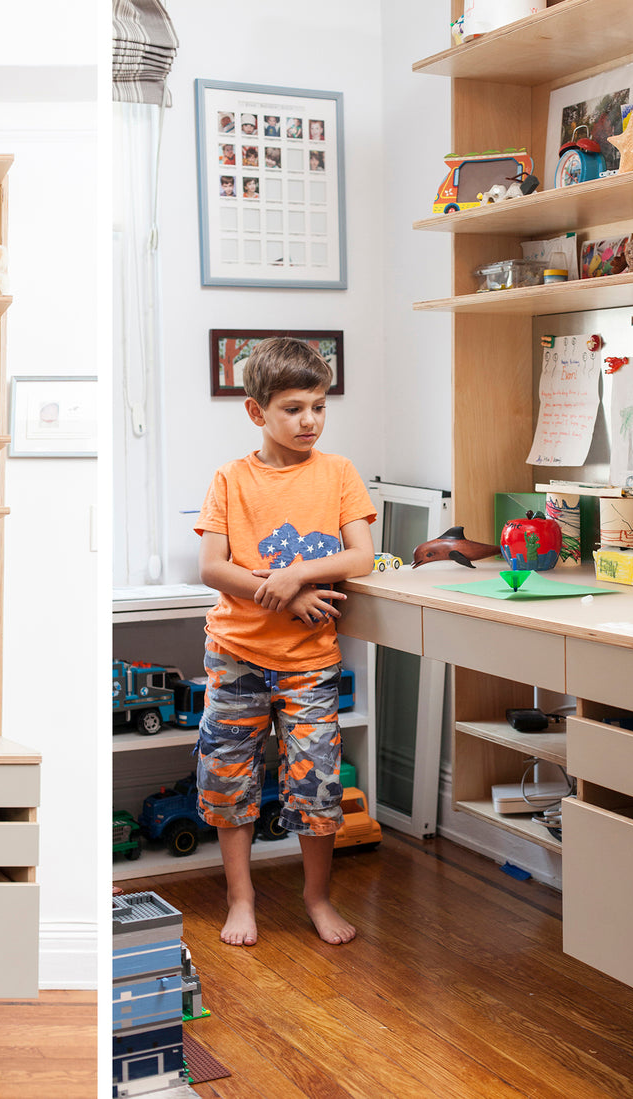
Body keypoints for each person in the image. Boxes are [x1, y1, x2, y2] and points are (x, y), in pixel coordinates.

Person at [195, 336, 375, 948]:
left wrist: (297, 574)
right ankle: (241, 899)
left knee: (318, 784)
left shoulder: (339, 473)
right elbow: (213, 568)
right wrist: (288, 595)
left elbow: (362, 556)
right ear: (257, 412)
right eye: (294, 408)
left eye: (319, 407)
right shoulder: (231, 478)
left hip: (310, 664)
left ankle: (317, 897)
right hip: (236, 656)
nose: (310, 421)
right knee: (228, 782)